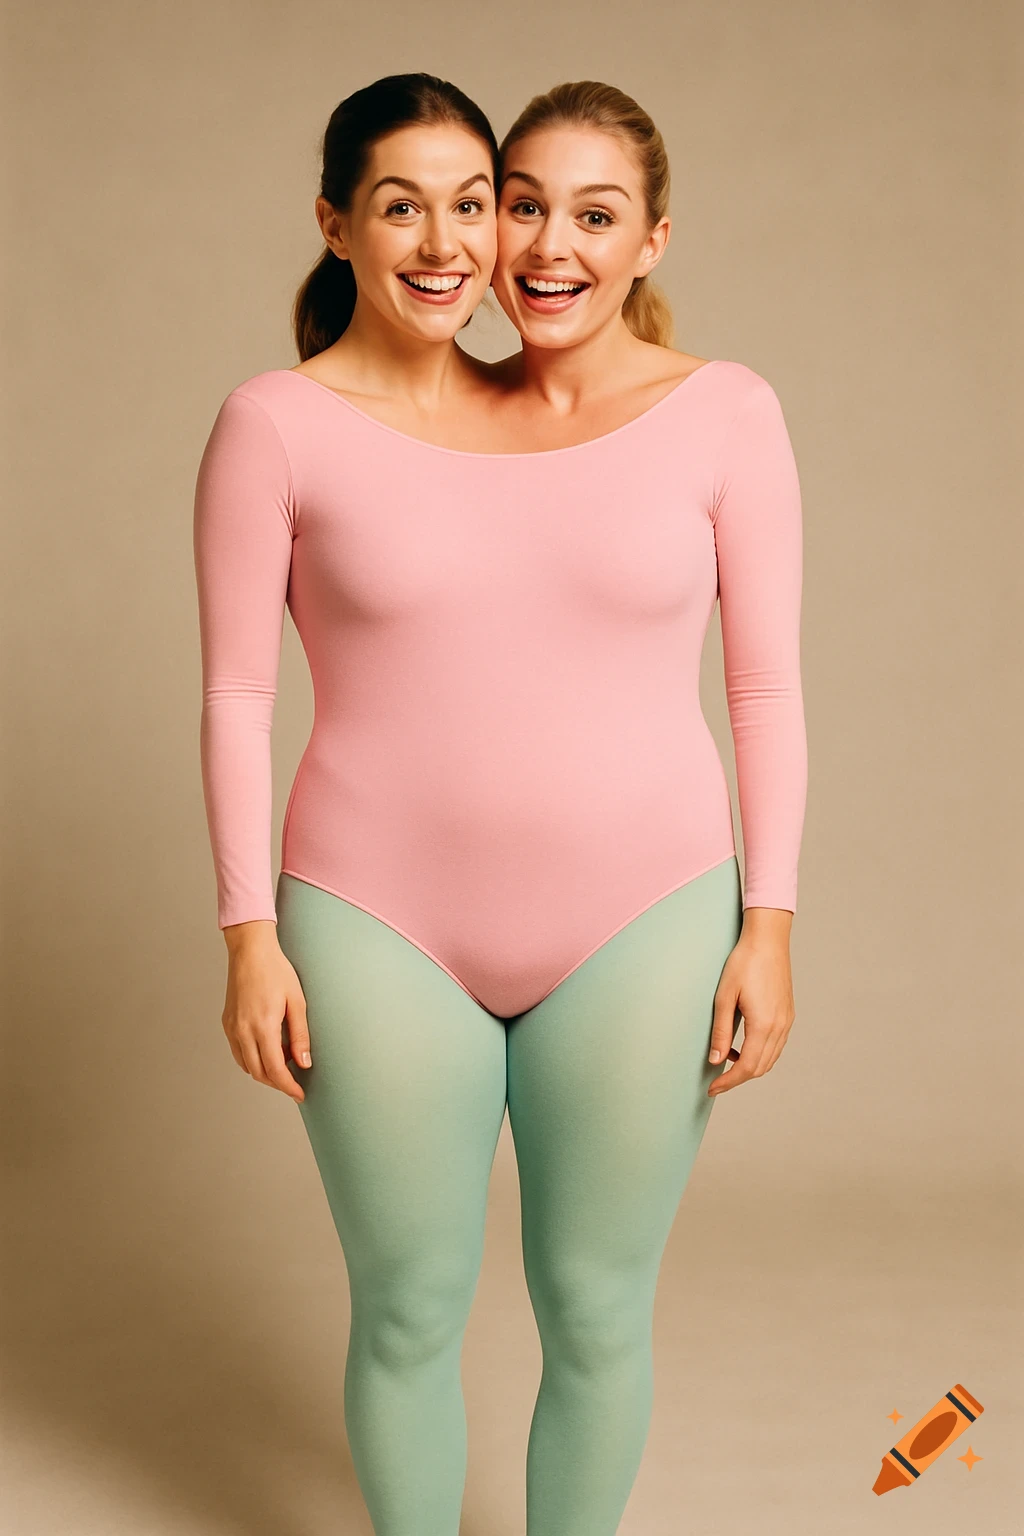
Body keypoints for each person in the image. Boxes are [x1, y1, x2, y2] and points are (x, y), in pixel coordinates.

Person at [192, 71, 807, 1536]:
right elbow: (235, 698)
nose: (502, 241)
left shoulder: (721, 413)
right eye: (493, 204)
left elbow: (767, 686)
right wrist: (246, 936)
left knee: (597, 1304)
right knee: (407, 1305)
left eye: (495, 204)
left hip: (646, 917)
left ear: (653, 237)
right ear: (336, 222)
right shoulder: (276, 425)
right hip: (373, 919)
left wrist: (769, 922)